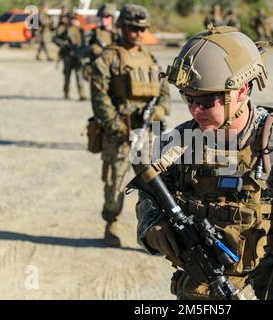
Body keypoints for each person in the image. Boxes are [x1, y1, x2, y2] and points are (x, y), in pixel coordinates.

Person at [135, 26, 273, 300]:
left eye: (206, 100)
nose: (194, 110)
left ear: (242, 90)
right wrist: (153, 227)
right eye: (188, 97)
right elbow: (149, 197)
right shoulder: (180, 142)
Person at [90, 4, 171, 247]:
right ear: (122, 27)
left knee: (152, 183)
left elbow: (163, 91)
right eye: (132, 28)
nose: (137, 33)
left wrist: (159, 111)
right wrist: (116, 124)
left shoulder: (149, 57)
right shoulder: (109, 57)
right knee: (115, 183)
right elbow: (99, 95)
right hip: (118, 133)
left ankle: (155, 232)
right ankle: (111, 222)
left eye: (141, 29)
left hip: (144, 133)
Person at [53, 12, 87, 100]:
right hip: (67, 56)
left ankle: (82, 94)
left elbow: (85, 40)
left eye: (75, 19)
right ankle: (66, 92)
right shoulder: (64, 29)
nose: (73, 21)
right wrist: (64, 44)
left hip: (78, 56)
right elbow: (55, 39)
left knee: (79, 75)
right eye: (71, 19)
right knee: (67, 75)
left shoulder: (80, 29)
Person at [83, 3, 119, 81]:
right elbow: (83, 51)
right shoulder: (94, 33)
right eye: (102, 16)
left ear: (112, 18)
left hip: (115, 71)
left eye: (106, 17)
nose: (103, 19)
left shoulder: (118, 34)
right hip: (98, 72)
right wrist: (93, 49)